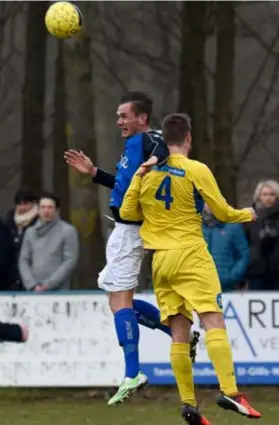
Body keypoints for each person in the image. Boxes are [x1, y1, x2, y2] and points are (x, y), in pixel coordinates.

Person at [120, 113, 261, 425]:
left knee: (179, 333)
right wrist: (244, 214)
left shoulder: (146, 173)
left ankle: (188, 404)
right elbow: (222, 211)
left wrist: (140, 181)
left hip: (160, 261)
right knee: (212, 319)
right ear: (188, 138)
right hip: (191, 254)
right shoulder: (196, 169)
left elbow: (127, 211)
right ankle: (230, 391)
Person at [64, 92, 200, 406]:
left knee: (122, 301)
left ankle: (132, 373)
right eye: (118, 116)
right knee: (117, 303)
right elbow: (127, 186)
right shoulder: (135, 145)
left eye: (124, 116)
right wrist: (95, 173)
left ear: (141, 117)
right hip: (128, 230)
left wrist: (154, 160)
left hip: (130, 231)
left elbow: (164, 149)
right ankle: (177, 333)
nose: (119, 122)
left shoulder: (149, 140)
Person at [19, 193, 79, 291]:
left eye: (50, 207)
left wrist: (47, 285)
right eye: (43, 207)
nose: (46, 211)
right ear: (38, 210)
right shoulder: (30, 232)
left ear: (56, 210)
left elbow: (70, 261)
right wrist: (32, 285)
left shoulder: (68, 231)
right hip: (33, 291)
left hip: (59, 291)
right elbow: (23, 260)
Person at [246, 179, 279, 290]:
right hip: (256, 271)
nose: (268, 198)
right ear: (258, 197)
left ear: (277, 196)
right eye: (264, 194)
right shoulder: (249, 218)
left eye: (272, 194)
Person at [202, 204, 249, 292]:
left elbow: (243, 255)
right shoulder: (193, 226)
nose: (210, 204)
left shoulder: (233, 225)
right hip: (199, 287)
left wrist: (231, 277)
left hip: (227, 288)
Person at [5, 189, 38, 290]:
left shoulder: (39, 221)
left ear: (34, 203)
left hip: (32, 274)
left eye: (25, 203)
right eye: (19, 204)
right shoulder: (10, 218)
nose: (22, 207)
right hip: (11, 276)